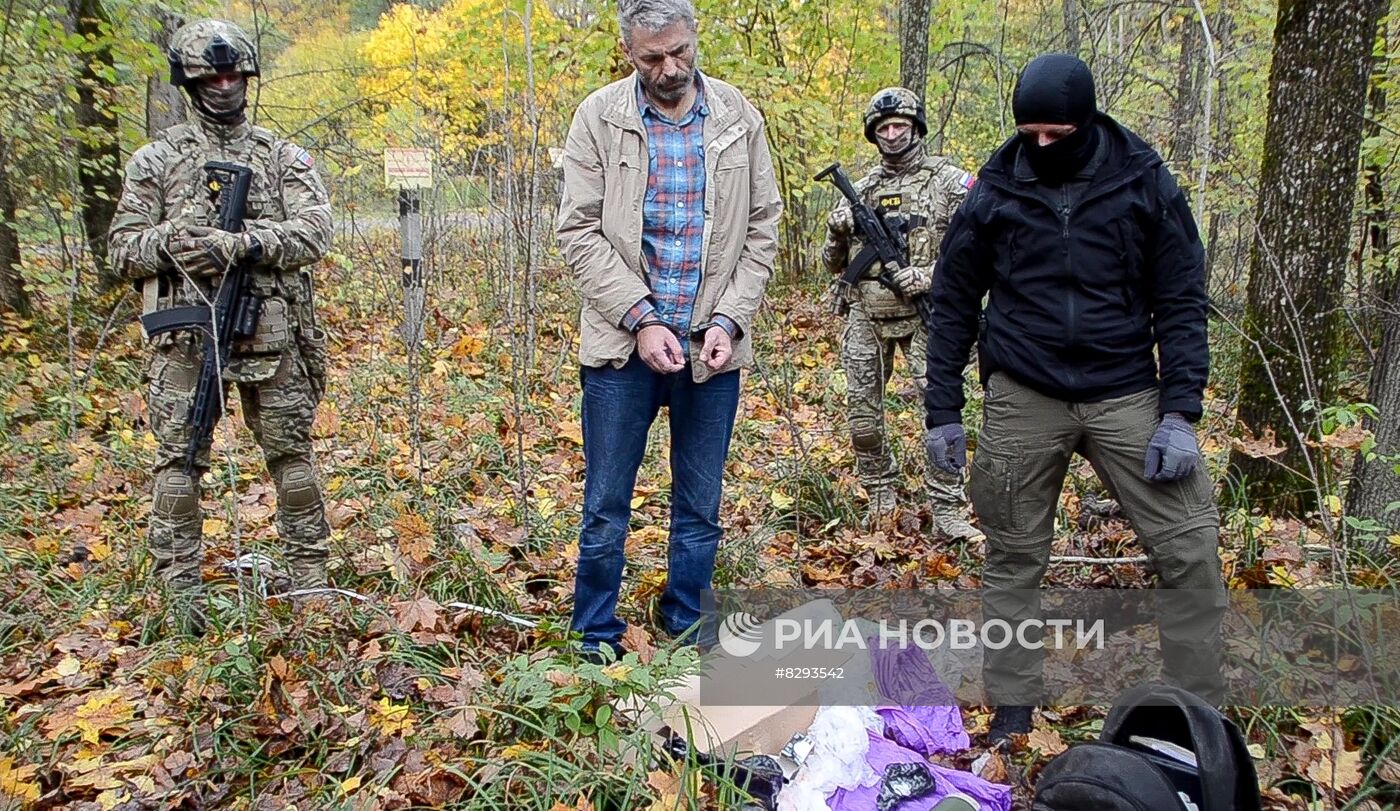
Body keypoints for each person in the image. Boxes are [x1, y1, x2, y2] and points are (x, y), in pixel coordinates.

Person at [922, 53, 1227, 741]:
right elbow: (953, 300)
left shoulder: (1143, 181)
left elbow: (1181, 299)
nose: (1041, 148)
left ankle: (1197, 714)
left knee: (1190, 547)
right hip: (1024, 388)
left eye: (1057, 135)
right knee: (1013, 551)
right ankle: (1012, 708)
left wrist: (1180, 412)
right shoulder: (995, 190)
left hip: (1125, 388)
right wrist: (943, 410)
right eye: (1029, 134)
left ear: (1086, 121)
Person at [555, 0, 781, 657]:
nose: (670, 67)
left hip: (713, 348)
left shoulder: (738, 116)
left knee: (700, 505)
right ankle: (593, 632)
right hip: (623, 348)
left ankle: (685, 626)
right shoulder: (599, 118)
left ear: (694, 39)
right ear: (629, 53)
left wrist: (732, 318)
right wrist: (642, 317)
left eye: (680, 51)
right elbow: (578, 230)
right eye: (653, 57)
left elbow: (763, 224)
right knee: (605, 503)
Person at [109, 19, 334, 632]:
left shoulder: (280, 155)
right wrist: (177, 241)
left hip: (269, 326)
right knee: (179, 462)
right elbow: (122, 248)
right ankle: (181, 593)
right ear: (189, 80)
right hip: (185, 335)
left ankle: (310, 581)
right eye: (212, 75)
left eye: (235, 73)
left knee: (291, 456)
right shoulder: (156, 161)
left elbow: (315, 231)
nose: (226, 85)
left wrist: (243, 243)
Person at [820, 87, 980, 539]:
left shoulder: (949, 183)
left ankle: (948, 508)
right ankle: (879, 491)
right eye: (884, 128)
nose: (892, 135)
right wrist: (835, 234)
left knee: (941, 415)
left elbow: (983, 249)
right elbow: (834, 265)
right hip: (866, 315)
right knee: (863, 417)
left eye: (900, 126)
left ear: (916, 127)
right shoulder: (862, 189)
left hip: (926, 313)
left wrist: (931, 275)